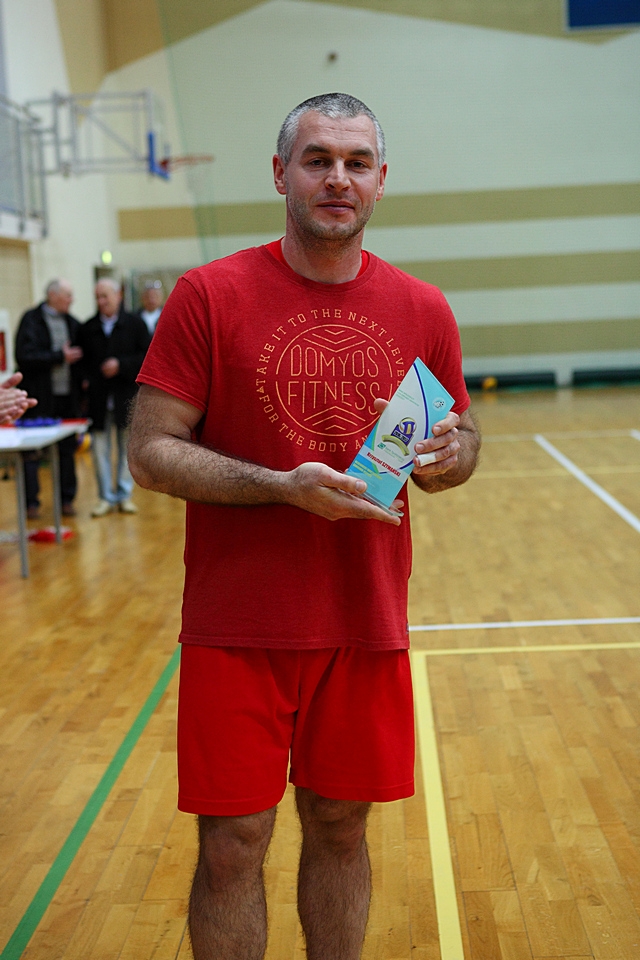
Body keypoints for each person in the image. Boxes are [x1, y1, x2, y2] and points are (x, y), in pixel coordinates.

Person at [128, 92, 481, 960]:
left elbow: (462, 437)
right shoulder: (209, 296)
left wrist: (452, 455)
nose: (337, 178)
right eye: (317, 159)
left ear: (381, 180)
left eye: (357, 163)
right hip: (237, 624)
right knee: (233, 843)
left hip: (364, 619)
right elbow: (150, 452)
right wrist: (281, 487)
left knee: (340, 827)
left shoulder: (424, 308)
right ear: (280, 172)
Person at [78, 277, 150, 516]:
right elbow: (81, 363)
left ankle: (124, 495)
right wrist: (86, 381)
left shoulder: (135, 324)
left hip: (126, 396)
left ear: (118, 296)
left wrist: (121, 365)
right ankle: (105, 498)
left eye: (105, 296)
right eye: (97, 297)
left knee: (126, 447)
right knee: (99, 450)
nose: (101, 301)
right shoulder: (87, 328)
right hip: (98, 399)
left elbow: (147, 356)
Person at [15, 279, 83, 517]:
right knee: (31, 452)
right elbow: (25, 356)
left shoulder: (73, 323)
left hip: (66, 398)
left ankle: (66, 499)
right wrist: (59, 357)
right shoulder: (31, 320)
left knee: (67, 451)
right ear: (53, 295)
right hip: (38, 398)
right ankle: (31, 503)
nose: (71, 300)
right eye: (67, 295)